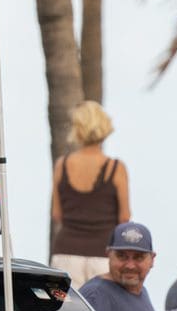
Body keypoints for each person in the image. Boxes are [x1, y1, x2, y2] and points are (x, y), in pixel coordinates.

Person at [50, 101, 128, 287]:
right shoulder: (116, 168)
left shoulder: (62, 164)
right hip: (102, 256)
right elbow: (124, 217)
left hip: (65, 253)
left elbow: (57, 214)